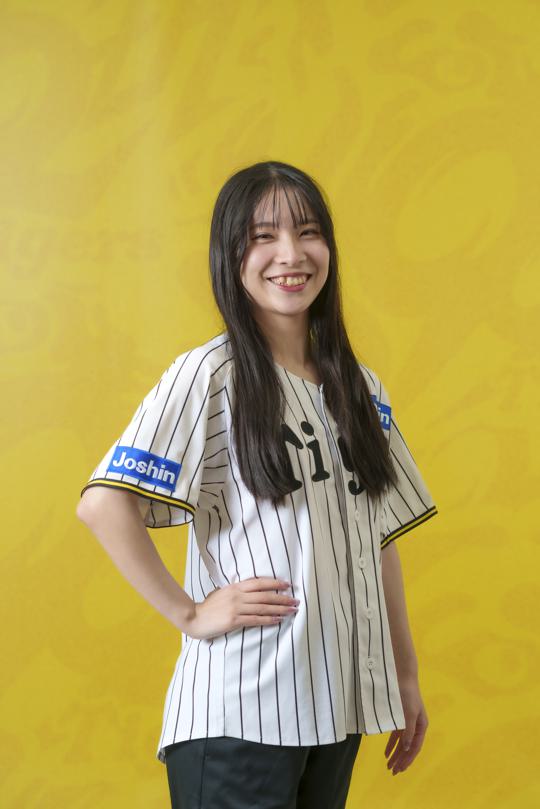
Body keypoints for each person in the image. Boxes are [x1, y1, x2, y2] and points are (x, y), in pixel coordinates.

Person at [76, 160, 438, 809]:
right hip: (241, 712)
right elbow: (104, 503)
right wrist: (190, 613)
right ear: (230, 256)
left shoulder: (361, 389)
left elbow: (379, 541)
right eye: (263, 236)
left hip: (338, 709)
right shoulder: (210, 373)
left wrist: (404, 676)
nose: (291, 254)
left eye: (308, 231)